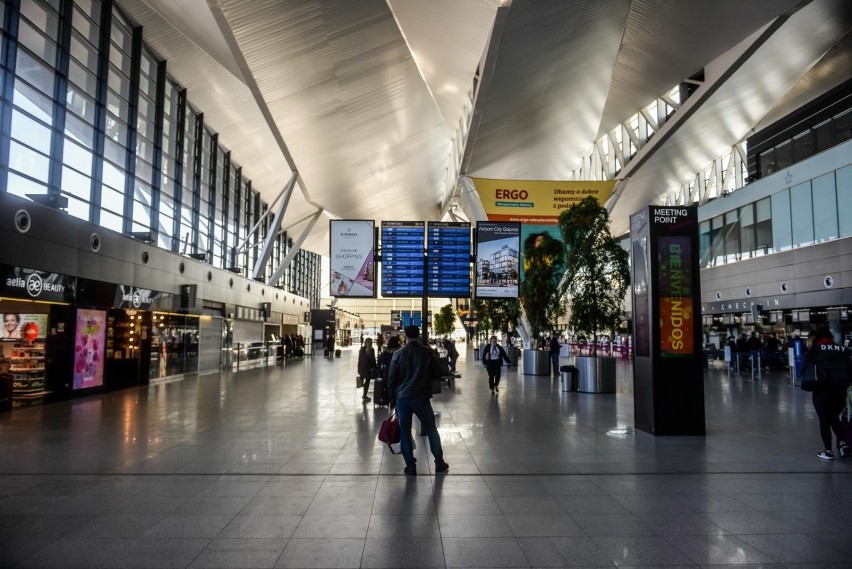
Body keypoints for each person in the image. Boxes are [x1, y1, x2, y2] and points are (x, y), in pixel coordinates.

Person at [387, 325, 448, 476]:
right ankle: (439, 462)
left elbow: (391, 379)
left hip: (403, 399)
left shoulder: (398, 354)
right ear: (419, 335)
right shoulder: (427, 352)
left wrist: (392, 399)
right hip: (422, 398)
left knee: (405, 433)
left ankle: (410, 466)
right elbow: (439, 372)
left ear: (405, 336)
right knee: (431, 429)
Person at [801, 328, 851, 460]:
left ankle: (828, 451)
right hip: (840, 389)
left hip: (821, 389)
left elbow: (804, 369)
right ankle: (843, 444)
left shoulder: (815, 350)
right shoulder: (843, 349)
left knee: (824, 419)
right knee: (834, 417)